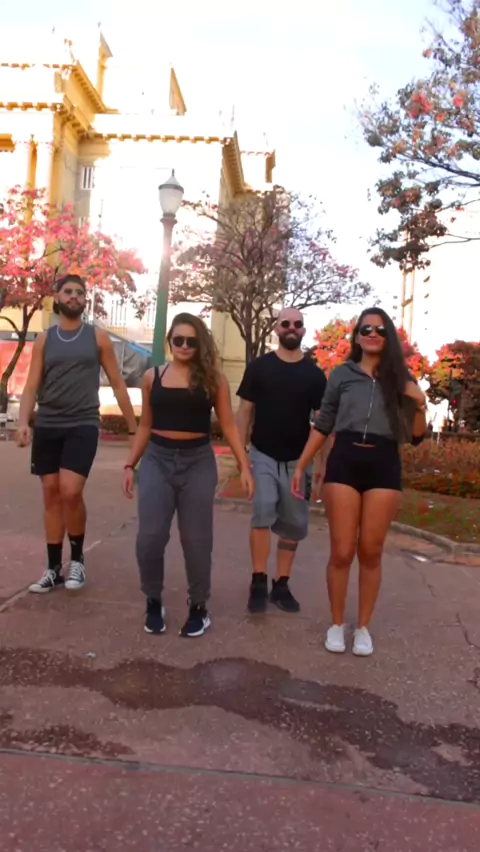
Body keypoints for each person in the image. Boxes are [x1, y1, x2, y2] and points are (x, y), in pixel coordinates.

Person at [291, 307, 428, 656]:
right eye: (366, 329)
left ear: (388, 337)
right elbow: (323, 423)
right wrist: (302, 465)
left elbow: (415, 436)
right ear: (357, 336)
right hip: (345, 462)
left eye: (379, 330)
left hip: (384, 464)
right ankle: (337, 624)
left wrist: (420, 403)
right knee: (341, 551)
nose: (372, 334)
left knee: (370, 550)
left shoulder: (400, 378)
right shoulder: (342, 375)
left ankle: (363, 628)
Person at [122, 312, 254, 639]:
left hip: (197, 462)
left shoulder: (213, 380)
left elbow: (228, 426)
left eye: (191, 341)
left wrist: (244, 466)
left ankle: (199, 607)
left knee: (196, 541)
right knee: (149, 539)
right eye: (178, 339)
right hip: (157, 459)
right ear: (170, 341)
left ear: (200, 344)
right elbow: (145, 425)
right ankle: (153, 600)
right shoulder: (152, 377)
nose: (183, 345)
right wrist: (129, 464)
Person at [16, 274, 138, 593]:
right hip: (48, 424)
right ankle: (53, 568)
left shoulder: (97, 338)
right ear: (57, 298)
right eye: (68, 291)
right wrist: (24, 422)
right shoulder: (45, 340)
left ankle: (78, 560)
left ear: (85, 301)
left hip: (82, 423)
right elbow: (31, 384)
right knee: (51, 492)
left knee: (70, 491)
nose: (74, 296)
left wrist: (133, 428)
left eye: (80, 293)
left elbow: (118, 383)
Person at [236, 308, 328, 614]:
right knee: (262, 512)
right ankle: (258, 581)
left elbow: (324, 423)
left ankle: (281, 584)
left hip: (298, 462)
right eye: (285, 323)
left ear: (304, 331)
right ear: (276, 329)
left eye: (297, 324)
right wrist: (241, 458)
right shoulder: (259, 368)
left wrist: (322, 464)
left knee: (293, 525)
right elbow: (244, 412)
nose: (291, 328)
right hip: (263, 455)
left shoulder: (315, 375)